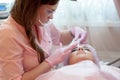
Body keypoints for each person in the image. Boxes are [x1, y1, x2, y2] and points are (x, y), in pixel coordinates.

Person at [0, 0, 87, 80]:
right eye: (49, 11)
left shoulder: (39, 21)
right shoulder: (8, 34)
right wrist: (50, 62)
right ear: (32, 6)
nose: (51, 17)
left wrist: (73, 32)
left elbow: (59, 37)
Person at [35, 44, 120, 80]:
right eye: (74, 50)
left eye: (86, 49)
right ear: (67, 61)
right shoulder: (54, 74)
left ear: (95, 59)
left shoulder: (110, 71)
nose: (80, 49)